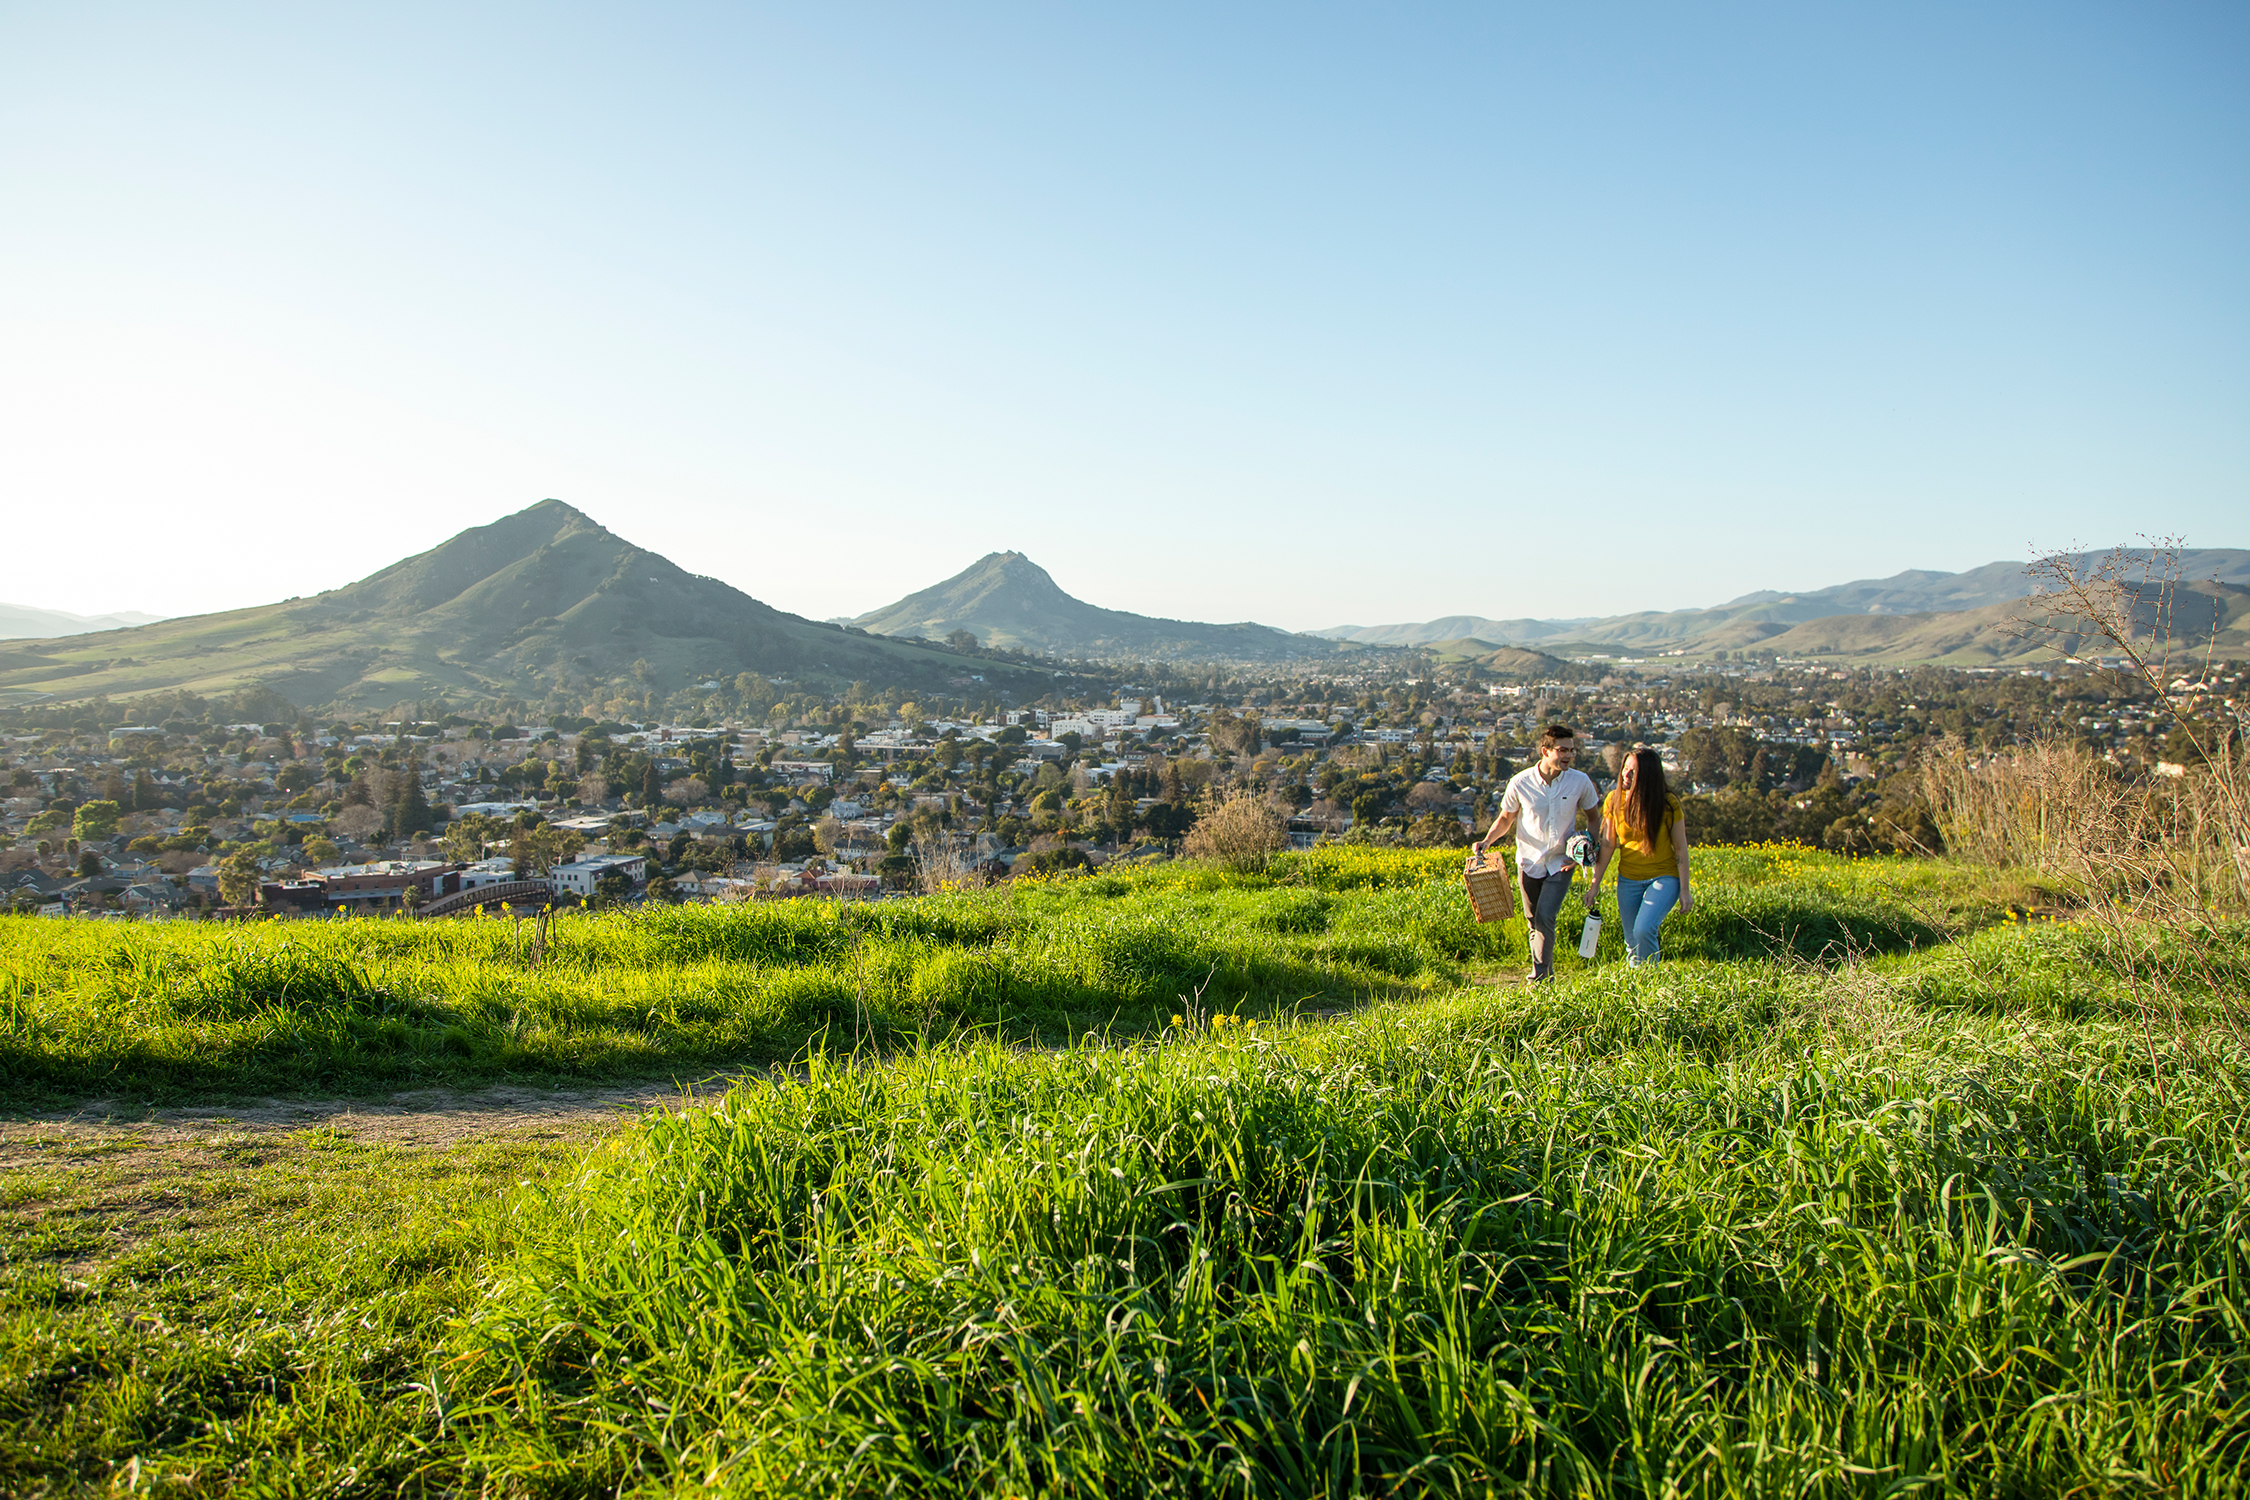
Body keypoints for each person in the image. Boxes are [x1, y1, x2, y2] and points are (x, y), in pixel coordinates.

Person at [1473, 724, 1600, 982]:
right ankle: (1547, 973)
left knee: (1545, 916)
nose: (1568, 756)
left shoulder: (1580, 781)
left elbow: (1593, 818)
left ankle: (1538, 978)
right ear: (1546, 750)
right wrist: (1487, 841)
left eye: (1571, 751)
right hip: (1529, 862)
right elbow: (1506, 819)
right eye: (1562, 750)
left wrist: (1587, 849)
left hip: (1561, 862)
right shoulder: (1520, 783)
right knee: (1532, 921)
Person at [1587, 746, 1692, 965]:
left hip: (1663, 877)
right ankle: (1638, 987)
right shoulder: (1614, 800)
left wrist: (1685, 890)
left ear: (1648, 776)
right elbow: (1607, 845)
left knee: (1644, 929)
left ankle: (1651, 980)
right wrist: (1595, 884)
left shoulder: (1668, 803)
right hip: (1628, 879)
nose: (1626, 774)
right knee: (1632, 940)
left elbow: (1681, 849)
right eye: (1625, 768)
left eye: (1633, 772)